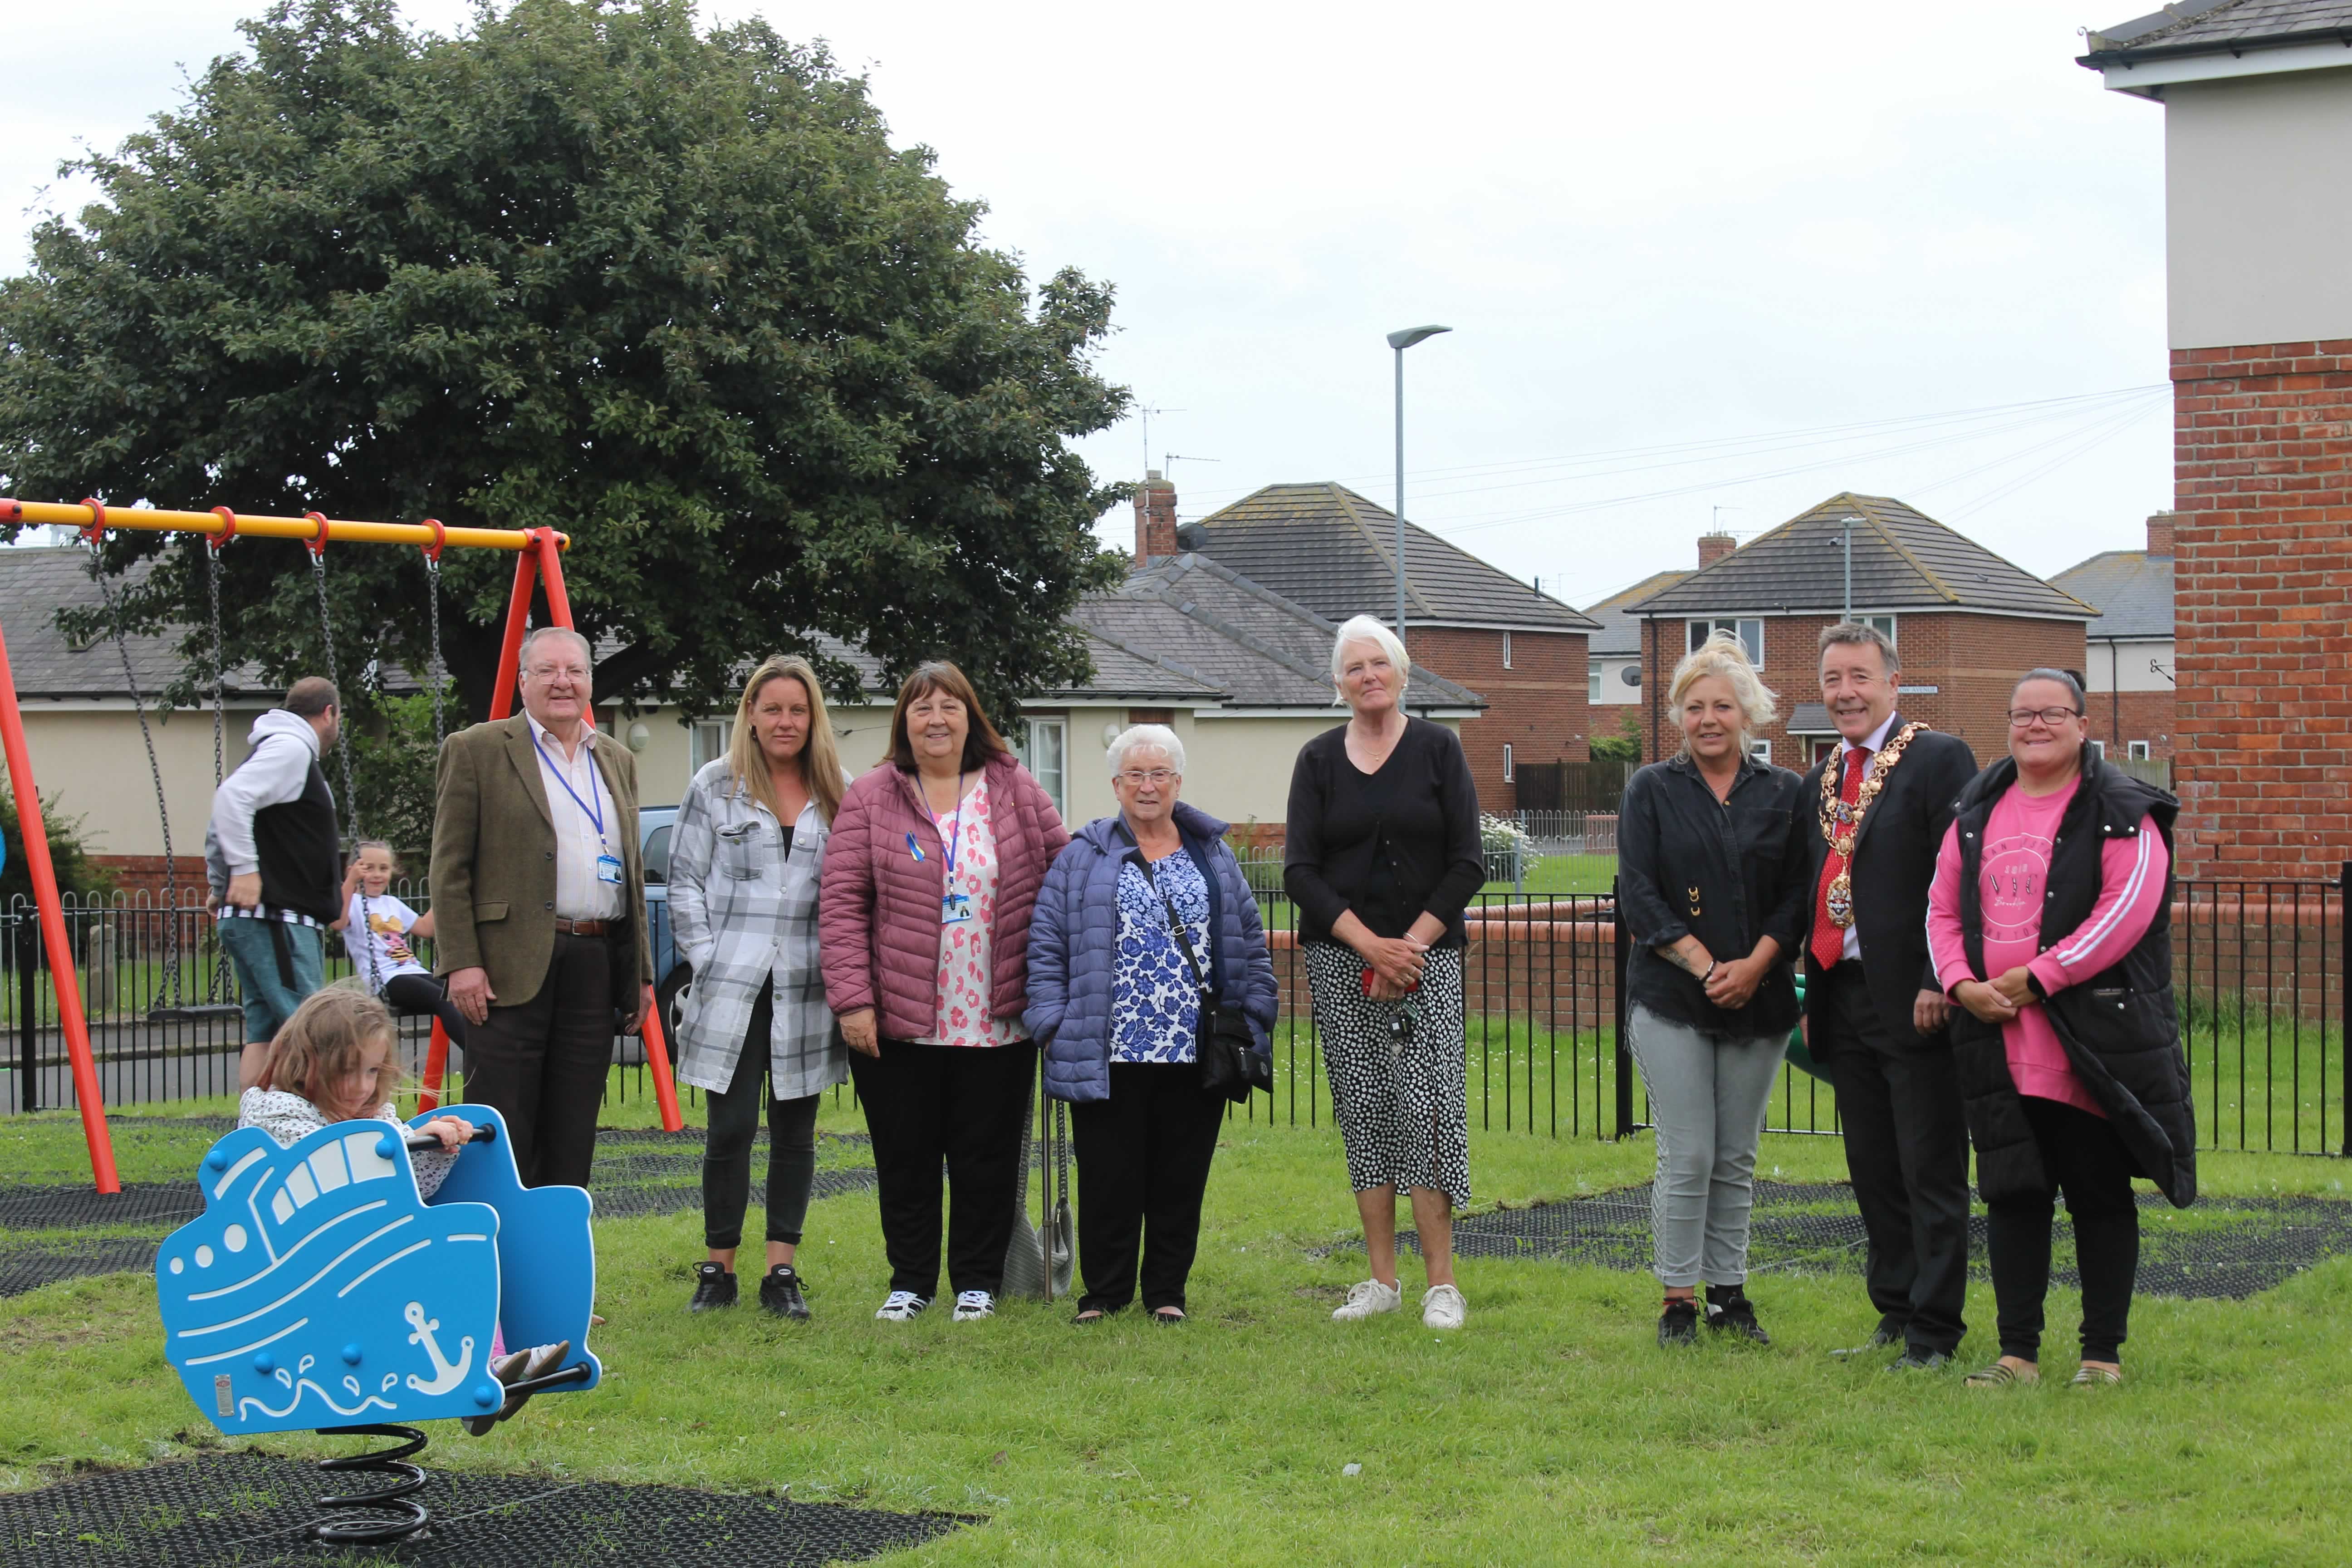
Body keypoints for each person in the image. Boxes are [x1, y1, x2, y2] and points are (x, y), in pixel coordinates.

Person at [1929, 670, 2194, 1389]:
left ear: (2083, 724)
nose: (2035, 726)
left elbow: (2129, 908)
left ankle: (2100, 1355)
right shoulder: (1976, 809)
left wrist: (2041, 977)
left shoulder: (2121, 809)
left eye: (2051, 714)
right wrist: (1960, 984)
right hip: (1997, 1040)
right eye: (2022, 715)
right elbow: (1943, 911)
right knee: (2014, 1194)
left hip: (2089, 1041)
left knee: (2099, 1194)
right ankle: (2017, 1354)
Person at [818, 661, 1068, 1323]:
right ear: (904, 720)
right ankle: (911, 1282)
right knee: (906, 1157)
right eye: (922, 708)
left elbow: (1063, 872)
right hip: (899, 1019)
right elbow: (842, 903)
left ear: (971, 717)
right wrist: (853, 1001)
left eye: (950, 707)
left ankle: (978, 1284)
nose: (936, 720)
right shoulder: (872, 795)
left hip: (997, 1018)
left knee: (986, 1159)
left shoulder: (1014, 789)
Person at [1027, 725, 1278, 1324]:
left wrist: (1255, 1015)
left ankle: (1167, 1292)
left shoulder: (1212, 854)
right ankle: (1105, 1294)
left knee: (1179, 1177)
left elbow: (1249, 940)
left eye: (1159, 773)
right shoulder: (1082, 856)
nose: (1147, 785)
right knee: (1110, 1178)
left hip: (1195, 1048)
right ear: (1115, 785)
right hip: (1106, 1044)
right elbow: (1046, 947)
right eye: (1135, 775)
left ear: (1178, 782)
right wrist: (1051, 1023)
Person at [237, 987, 569, 1434]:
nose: (362, 1087)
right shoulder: (278, 1116)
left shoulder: (371, 1114)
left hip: (363, 1249)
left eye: (372, 1072)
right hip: (305, 1265)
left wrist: (435, 1148)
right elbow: (323, 1170)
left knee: (459, 1238)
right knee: (446, 1246)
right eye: (348, 1072)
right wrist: (398, 1144)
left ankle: (489, 1369)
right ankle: (482, 1373)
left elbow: (409, 1188)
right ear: (308, 1063)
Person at [1284, 614, 1484, 1332]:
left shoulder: (1438, 749)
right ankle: (1381, 1281)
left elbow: (1469, 861)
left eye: (1380, 663)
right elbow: (1300, 872)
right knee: (1365, 1113)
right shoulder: (1317, 761)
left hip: (1427, 963)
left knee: (1425, 1112)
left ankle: (1441, 1286)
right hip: (1342, 963)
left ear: (1402, 673)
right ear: (1338, 684)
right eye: (1354, 667)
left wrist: (1411, 947)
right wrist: (1371, 946)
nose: (1368, 676)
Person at [1617, 633, 1810, 1348]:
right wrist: (1706, 967)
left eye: (1722, 706)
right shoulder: (1651, 791)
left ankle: (1730, 1296)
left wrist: (1757, 966)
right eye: (1694, 706)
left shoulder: (1787, 794)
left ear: (1748, 713)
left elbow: (1798, 897)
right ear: (1678, 715)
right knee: (1690, 1151)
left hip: (1759, 998)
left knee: (1736, 1155)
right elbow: (1639, 895)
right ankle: (1678, 1301)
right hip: (1670, 997)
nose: (1708, 719)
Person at [1798, 623, 1980, 1371]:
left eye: (1859, 677)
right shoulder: (1821, 775)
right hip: (1841, 993)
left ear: (1892, 682)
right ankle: (1895, 1310)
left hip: (1912, 994)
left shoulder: (1936, 758)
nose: (1845, 692)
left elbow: (1960, 876)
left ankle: (1935, 1330)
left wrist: (1942, 979)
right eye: (1833, 679)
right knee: (1871, 1164)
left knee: (1928, 1164)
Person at [429, 627, 653, 1190]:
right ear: (523, 682)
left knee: (574, 1127)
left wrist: (640, 976)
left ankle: (558, 1258)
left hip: (595, 961)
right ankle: (496, 1254)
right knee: (502, 1126)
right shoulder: (477, 749)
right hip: (506, 969)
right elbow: (449, 866)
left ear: (589, 684)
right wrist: (462, 961)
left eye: (575, 671)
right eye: (548, 671)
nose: (563, 682)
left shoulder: (617, 760)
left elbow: (629, 877)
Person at [669, 655, 850, 1320]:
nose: (784, 721)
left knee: (796, 1129)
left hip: (807, 984)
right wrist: (708, 955)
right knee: (733, 1125)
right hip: (733, 983)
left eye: (797, 710)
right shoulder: (715, 787)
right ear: (751, 712)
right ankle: (718, 1267)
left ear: (813, 718)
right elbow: (685, 879)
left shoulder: (838, 792)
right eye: (772, 708)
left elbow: (852, 890)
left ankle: (782, 1269)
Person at [206, 677, 344, 1090]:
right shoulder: (291, 749)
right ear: (329, 713)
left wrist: (220, 882)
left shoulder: (271, 749)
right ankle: (317, 1128)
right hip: (278, 919)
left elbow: (220, 825)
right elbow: (231, 799)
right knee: (310, 1027)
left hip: (258, 919)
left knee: (265, 1031)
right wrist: (245, 871)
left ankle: (255, 1128)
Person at [333, 840, 469, 1051]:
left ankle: (488, 1049)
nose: (378, 875)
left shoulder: (392, 903)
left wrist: (445, 896)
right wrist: (350, 882)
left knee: (460, 994)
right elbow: (337, 922)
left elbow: (425, 928)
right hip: (387, 980)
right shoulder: (353, 905)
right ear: (354, 871)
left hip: (412, 971)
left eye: (384, 868)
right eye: (369, 868)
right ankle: (478, 1055)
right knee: (443, 1000)